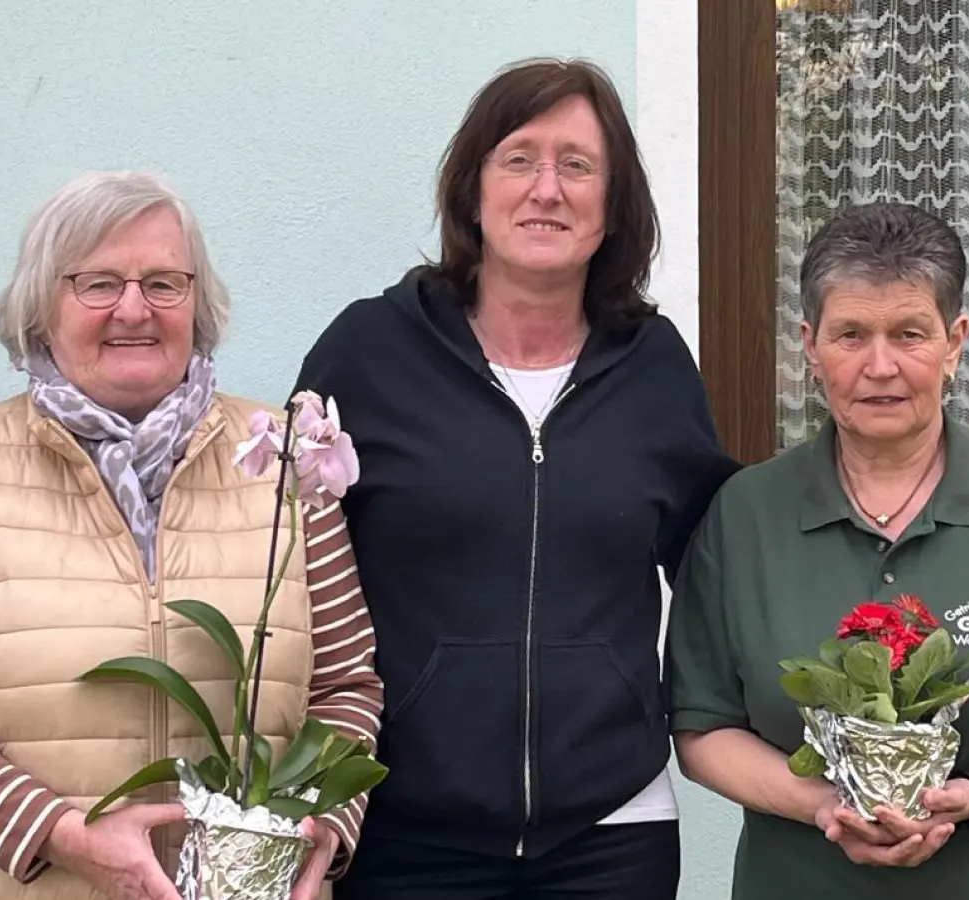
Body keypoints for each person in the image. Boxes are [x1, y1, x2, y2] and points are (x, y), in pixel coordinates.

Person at [0, 171, 384, 900]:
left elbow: (344, 687)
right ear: (42, 309)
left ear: (197, 305)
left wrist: (323, 825)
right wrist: (61, 836)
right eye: (97, 283)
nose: (133, 309)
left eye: (164, 283)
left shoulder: (285, 460)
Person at [292, 58, 738, 898]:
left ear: (614, 205)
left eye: (577, 164)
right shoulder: (368, 352)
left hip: (611, 831)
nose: (547, 189)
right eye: (519, 158)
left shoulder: (656, 367)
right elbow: (289, 566)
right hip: (403, 824)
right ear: (473, 190)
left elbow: (714, 559)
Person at [666, 201, 969, 900]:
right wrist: (828, 809)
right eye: (851, 334)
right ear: (809, 342)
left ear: (955, 341)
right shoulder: (744, 515)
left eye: (910, 333)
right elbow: (703, 731)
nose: (880, 365)